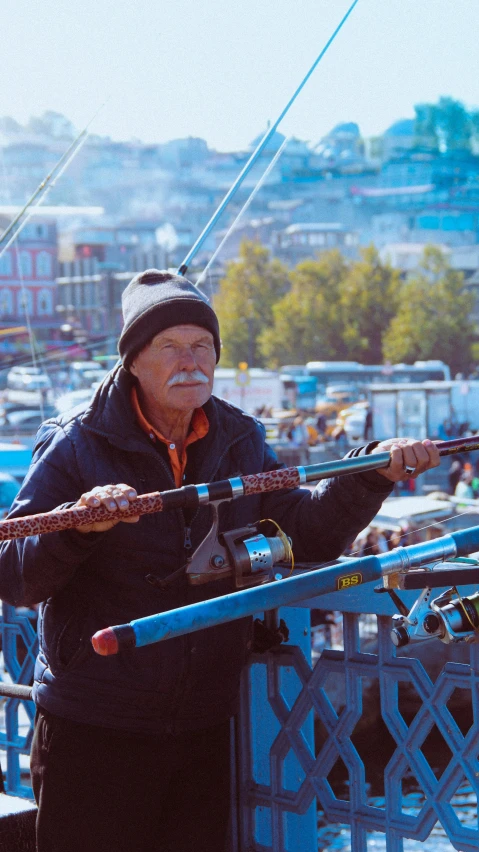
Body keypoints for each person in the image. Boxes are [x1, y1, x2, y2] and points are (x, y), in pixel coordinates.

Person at [0, 270, 440, 852]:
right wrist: (83, 526)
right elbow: (16, 577)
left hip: (203, 726)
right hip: (95, 727)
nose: (191, 362)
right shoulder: (77, 444)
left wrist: (372, 473)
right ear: (133, 360)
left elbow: (303, 533)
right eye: (170, 347)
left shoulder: (239, 438)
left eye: (202, 346)